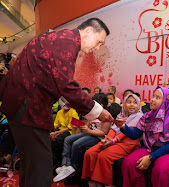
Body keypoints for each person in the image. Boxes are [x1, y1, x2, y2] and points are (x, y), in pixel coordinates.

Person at [0, 18, 114, 187]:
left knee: (32, 165)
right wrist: (98, 111)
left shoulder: (60, 39)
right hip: (28, 105)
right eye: (98, 43)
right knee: (41, 168)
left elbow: (48, 77)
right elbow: (66, 83)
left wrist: (62, 100)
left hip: (21, 102)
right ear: (88, 31)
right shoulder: (67, 41)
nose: (96, 49)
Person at [116, 86, 169, 187]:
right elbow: (135, 134)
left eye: (157, 97)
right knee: (129, 163)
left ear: (166, 101)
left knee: (161, 170)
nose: (152, 99)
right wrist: (123, 127)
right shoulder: (147, 116)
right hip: (150, 147)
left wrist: (151, 157)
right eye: (153, 96)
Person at [81, 93, 143, 186]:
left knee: (104, 156)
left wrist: (113, 141)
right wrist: (107, 139)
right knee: (90, 153)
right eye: (129, 102)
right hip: (114, 141)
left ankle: (106, 183)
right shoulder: (121, 115)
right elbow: (114, 129)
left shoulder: (140, 117)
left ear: (138, 105)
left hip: (129, 143)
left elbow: (126, 133)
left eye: (135, 102)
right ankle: (92, 181)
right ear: (124, 104)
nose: (131, 104)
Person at [53, 93, 111, 183]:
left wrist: (89, 131)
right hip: (89, 134)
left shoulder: (106, 116)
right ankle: (65, 165)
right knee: (68, 139)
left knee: (77, 144)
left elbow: (104, 132)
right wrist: (78, 124)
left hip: (97, 137)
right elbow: (87, 125)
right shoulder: (93, 114)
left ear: (101, 105)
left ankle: (73, 167)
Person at [51, 97, 79, 170]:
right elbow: (56, 125)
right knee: (49, 138)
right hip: (60, 130)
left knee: (57, 139)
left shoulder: (73, 112)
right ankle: (52, 161)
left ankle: (58, 163)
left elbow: (71, 127)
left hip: (69, 132)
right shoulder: (59, 112)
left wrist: (56, 132)